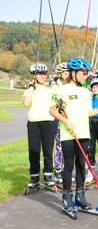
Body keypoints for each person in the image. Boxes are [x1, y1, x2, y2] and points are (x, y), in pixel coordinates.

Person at [49, 58, 98, 219]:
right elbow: (52, 111)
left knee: (81, 165)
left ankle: (80, 196)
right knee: (69, 165)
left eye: (86, 73)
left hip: (84, 133)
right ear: (74, 73)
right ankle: (67, 197)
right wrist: (66, 121)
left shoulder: (86, 92)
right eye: (83, 73)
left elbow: (88, 112)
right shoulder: (62, 90)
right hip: (68, 134)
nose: (85, 76)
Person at [23, 63, 57, 192]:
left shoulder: (50, 89)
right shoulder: (30, 89)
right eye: (39, 74)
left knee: (48, 151)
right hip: (33, 123)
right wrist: (31, 87)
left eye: (44, 74)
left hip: (48, 122)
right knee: (34, 151)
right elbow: (26, 103)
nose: (42, 76)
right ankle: (34, 177)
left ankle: (48, 176)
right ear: (34, 75)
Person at [52, 62, 70, 185]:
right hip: (59, 119)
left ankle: (66, 170)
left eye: (68, 72)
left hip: (70, 119)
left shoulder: (71, 85)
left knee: (68, 146)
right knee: (59, 146)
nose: (66, 74)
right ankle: (57, 170)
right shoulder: (55, 87)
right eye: (64, 72)